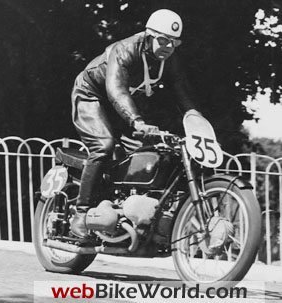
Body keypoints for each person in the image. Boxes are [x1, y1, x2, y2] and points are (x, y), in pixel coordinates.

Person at [70, 9, 200, 239]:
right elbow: (116, 89)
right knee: (104, 146)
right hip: (92, 95)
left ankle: (120, 211)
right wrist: (137, 121)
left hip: (122, 105)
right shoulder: (125, 49)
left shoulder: (168, 61)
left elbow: (183, 95)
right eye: (163, 40)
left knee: (145, 155)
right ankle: (80, 213)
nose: (169, 47)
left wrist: (198, 121)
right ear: (149, 36)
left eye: (174, 42)